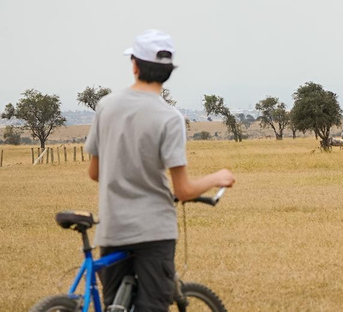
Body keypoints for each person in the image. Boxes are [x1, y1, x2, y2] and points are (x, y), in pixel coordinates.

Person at [85, 29, 235, 311]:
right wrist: (218, 177)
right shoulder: (170, 118)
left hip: (113, 229)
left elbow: (94, 173)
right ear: (169, 72)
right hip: (154, 231)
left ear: (135, 65)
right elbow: (183, 190)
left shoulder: (105, 106)